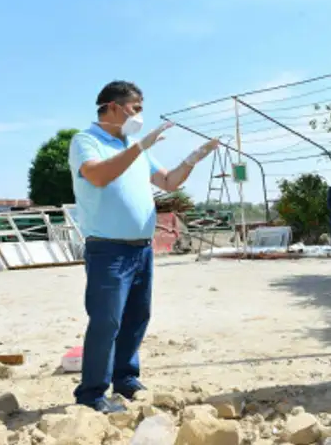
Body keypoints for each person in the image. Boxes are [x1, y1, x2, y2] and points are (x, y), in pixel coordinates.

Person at [69, 80, 219, 413]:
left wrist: (193, 159)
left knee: (137, 316)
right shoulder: (86, 141)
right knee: (107, 320)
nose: (139, 115)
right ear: (112, 106)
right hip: (108, 249)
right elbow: (97, 176)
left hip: (141, 249)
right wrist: (138, 148)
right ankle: (92, 393)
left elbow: (167, 181)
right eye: (135, 108)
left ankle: (125, 377)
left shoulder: (134, 146)